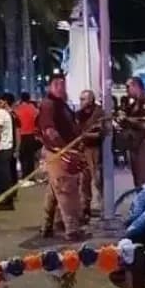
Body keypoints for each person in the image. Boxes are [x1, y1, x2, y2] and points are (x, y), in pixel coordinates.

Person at [36, 73, 86, 240]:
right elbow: (49, 130)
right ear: (49, 87)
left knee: (54, 190)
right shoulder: (49, 104)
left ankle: (46, 226)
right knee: (66, 191)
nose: (60, 87)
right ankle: (72, 230)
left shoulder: (61, 104)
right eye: (56, 84)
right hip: (59, 153)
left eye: (62, 84)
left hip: (63, 151)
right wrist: (64, 149)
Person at [119, 77, 145, 187]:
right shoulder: (134, 104)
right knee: (137, 180)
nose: (126, 90)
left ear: (136, 86)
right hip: (134, 144)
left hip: (144, 144)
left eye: (128, 87)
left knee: (144, 179)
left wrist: (128, 119)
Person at [75, 90, 104, 223]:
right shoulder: (79, 115)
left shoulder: (99, 113)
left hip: (95, 149)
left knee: (98, 180)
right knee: (83, 181)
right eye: (80, 99)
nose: (81, 102)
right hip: (82, 149)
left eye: (83, 99)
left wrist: (85, 135)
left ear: (91, 100)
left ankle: (104, 206)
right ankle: (84, 208)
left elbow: (102, 133)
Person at [14, 92, 40, 180]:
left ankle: (24, 176)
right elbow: (37, 119)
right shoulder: (33, 109)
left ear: (21, 99)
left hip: (21, 135)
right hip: (31, 135)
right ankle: (31, 176)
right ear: (29, 99)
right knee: (31, 158)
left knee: (23, 158)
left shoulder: (17, 109)